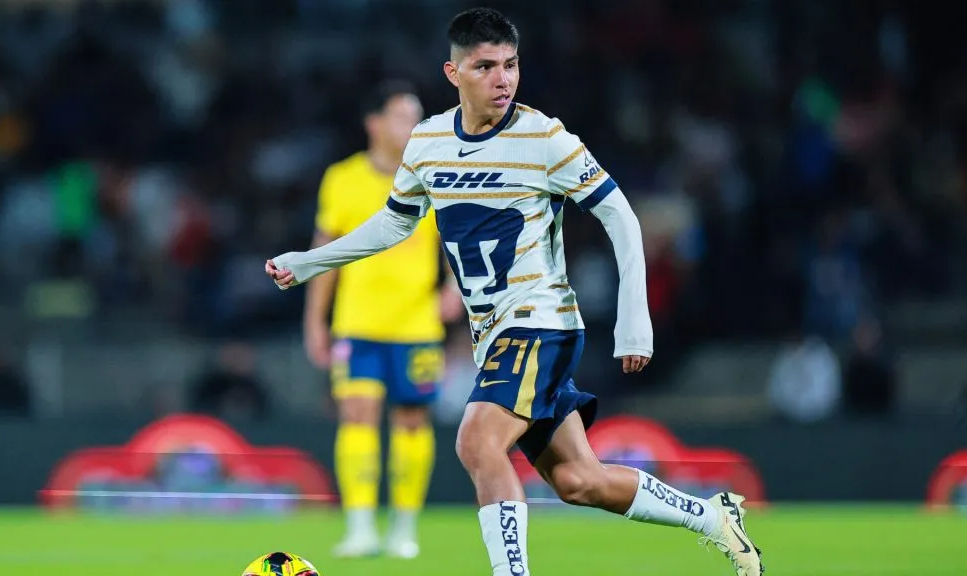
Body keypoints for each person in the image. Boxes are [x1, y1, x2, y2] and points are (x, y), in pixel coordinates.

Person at [266, 8, 764, 576]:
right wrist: (311, 262)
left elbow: (621, 215)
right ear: (453, 72)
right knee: (581, 481)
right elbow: (394, 224)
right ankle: (714, 518)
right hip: (494, 336)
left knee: (477, 441)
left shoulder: (544, 137)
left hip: (540, 323)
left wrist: (635, 318)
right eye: (485, 67)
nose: (502, 79)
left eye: (511, 65)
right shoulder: (428, 141)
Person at [302, 80, 463, 559]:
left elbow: (455, 240)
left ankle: (404, 529)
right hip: (357, 324)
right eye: (401, 116)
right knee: (357, 416)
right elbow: (323, 252)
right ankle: (359, 527)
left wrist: (454, 288)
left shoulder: (434, 176)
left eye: (416, 116)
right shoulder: (342, 178)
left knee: (412, 422)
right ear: (374, 122)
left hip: (416, 326)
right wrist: (315, 320)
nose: (411, 126)